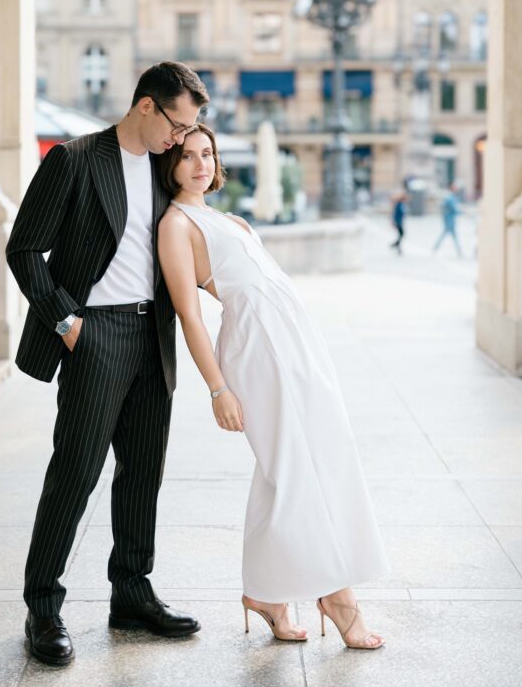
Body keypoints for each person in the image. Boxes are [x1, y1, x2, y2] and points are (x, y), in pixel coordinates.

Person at [6, 61, 208, 665]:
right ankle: (43, 607)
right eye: (177, 124)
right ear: (146, 105)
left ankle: (132, 593)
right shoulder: (74, 160)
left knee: (143, 470)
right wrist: (67, 323)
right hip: (95, 333)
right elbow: (24, 249)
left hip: (154, 332)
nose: (181, 138)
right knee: (76, 471)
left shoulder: (164, 167)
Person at [157, 125, 390, 649]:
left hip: (297, 345)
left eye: (207, 153)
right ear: (170, 164)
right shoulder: (176, 225)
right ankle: (338, 597)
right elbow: (189, 315)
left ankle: (266, 592)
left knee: (303, 463)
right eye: (188, 156)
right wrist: (218, 389)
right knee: (294, 468)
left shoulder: (231, 219)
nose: (201, 164)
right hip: (257, 350)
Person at [433, 181, 463, 256]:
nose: (456, 189)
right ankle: (458, 250)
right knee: (449, 234)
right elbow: (454, 208)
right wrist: (461, 212)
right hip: (449, 219)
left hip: (450, 219)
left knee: (449, 234)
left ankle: (436, 247)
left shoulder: (452, 197)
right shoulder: (450, 197)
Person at [390, 190, 408, 254]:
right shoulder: (399, 204)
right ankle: (396, 244)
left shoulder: (402, 204)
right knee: (401, 234)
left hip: (400, 221)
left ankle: (396, 245)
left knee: (401, 234)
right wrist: (394, 221)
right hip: (398, 222)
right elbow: (395, 213)